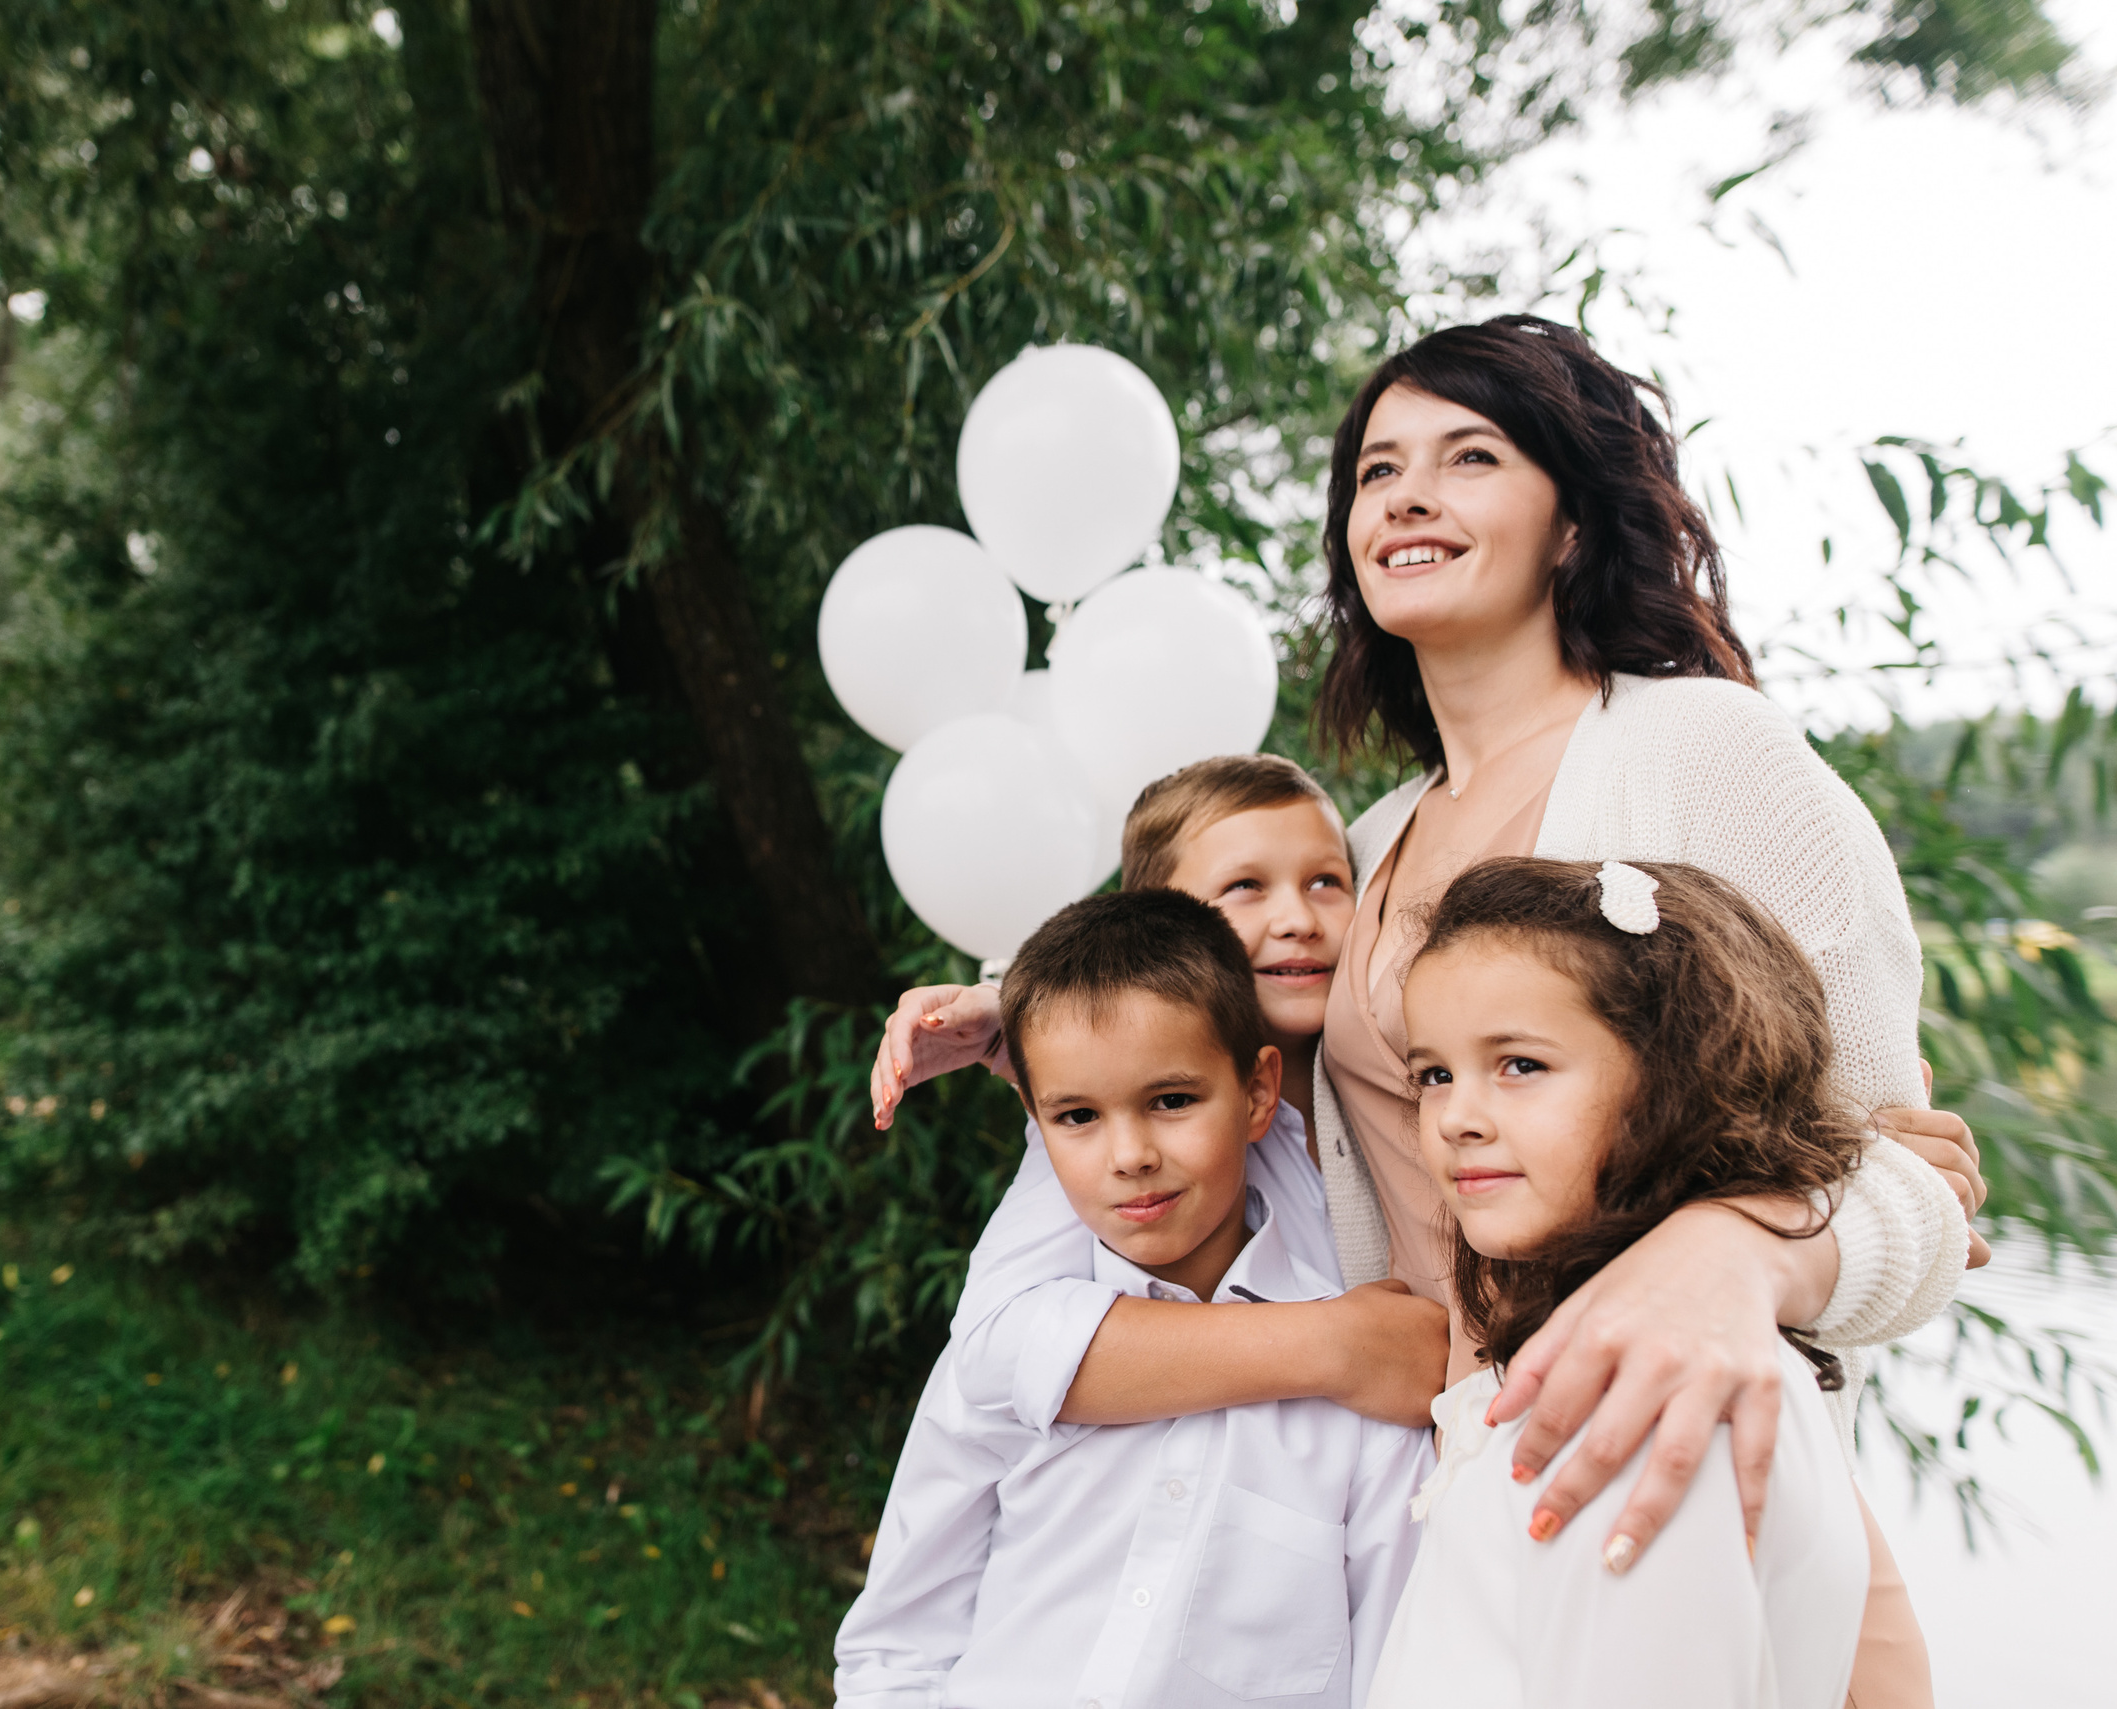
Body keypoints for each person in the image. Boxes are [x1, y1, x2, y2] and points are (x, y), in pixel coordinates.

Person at [872, 317, 1988, 1704]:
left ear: (1573, 521)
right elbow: (1237, 1028)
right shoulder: (1378, 841)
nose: (1406, 494)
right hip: (1460, 1483)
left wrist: (1733, 1255)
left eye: (1470, 456)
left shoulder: (1709, 754)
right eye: (1376, 469)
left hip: (1681, 1475)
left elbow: (1917, 1186)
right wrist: (1025, 1002)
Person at [835, 889, 1433, 1709]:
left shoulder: (1359, 1396)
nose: (1130, 1155)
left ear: (1259, 1094)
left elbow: (1394, 1676)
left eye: (1173, 1100)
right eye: (1077, 1115)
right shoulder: (1006, 1355)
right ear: (1036, 1124)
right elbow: (897, 1644)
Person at [1365, 856, 1870, 1708]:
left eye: (1520, 1064)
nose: (1456, 1117)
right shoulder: (1616, 1350)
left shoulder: (1652, 1392)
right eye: (1434, 1074)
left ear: (1677, 1076)